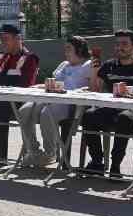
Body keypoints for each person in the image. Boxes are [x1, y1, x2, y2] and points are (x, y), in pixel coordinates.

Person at [82, 30, 133, 175]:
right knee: (89, 115)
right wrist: (94, 71)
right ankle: (97, 162)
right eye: (117, 44)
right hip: (112, 108)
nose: (119, 47)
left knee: (125, 117)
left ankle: (115, 166)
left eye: (124, 44)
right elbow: (95, 91)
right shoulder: (109, 65)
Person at [17, 36, 94, 169]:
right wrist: (39, 86)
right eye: (65, 49)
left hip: (70, 103)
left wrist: (83, 89)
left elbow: (93, 86)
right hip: (50, 97)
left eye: (69, 48)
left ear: (80, 49)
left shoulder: (88, 65)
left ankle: (50, 152)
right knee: (23, 111)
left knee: (47, 114)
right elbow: (54, 83)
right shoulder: (64, 65)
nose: (66, 52)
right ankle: (34, 151)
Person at [0, 24, 39, 161]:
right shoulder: (2, 57)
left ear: (18, 39)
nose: (3, 42)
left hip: (17, 100)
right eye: (1, 39)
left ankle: (0, 155)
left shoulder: (30, 58)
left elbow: (25, 84)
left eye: (6, 39)